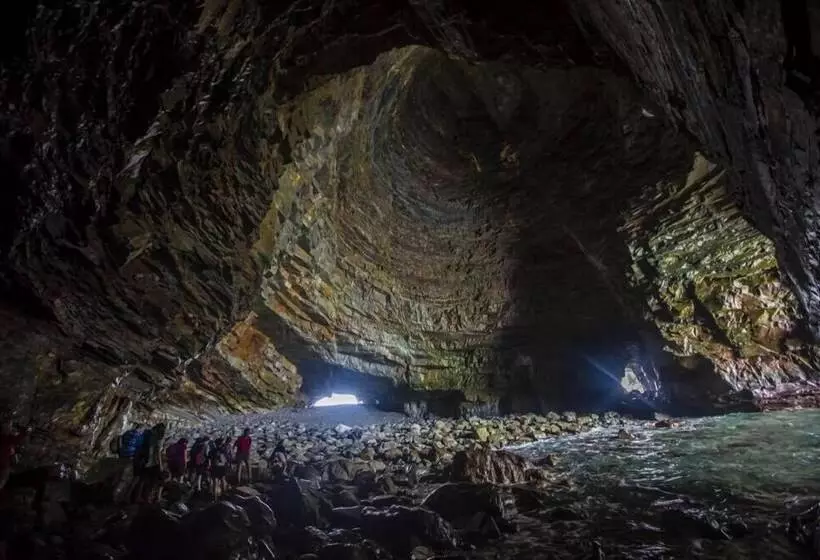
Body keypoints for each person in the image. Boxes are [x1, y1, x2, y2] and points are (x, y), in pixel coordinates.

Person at [132, 422, 166, 503]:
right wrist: (160, 465)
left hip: (142, 459)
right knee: (152, 481)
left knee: (141, 480)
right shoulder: (158, 438)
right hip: (152, 462)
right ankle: (147, 498)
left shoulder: (147, 433)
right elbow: (157, 453)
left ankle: (137, 497)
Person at [0, 421, 31, 492]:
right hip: (4, 461)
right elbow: (18, 439)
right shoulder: (7, 438)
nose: (9, 429)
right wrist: (24, 431)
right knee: (4, 475)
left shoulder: (5, 437)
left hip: (4, 461)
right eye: (8, 428)